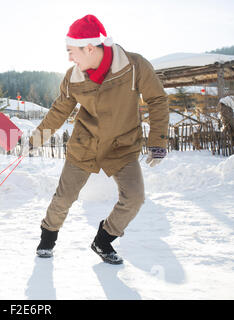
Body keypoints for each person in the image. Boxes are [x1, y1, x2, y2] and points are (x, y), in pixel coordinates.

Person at [28, 15, 169, 264]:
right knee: (65, 197)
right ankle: (47, 238)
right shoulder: (73, 76)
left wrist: (158, 141)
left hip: (122, 145)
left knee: (134, 198)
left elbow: (157, 100)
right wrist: (36, 138)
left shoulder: (135, 66)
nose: (70, 58)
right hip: (86, 144)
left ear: (90, 48)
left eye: (72, 51)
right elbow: (60, 110)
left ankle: (104, 240)